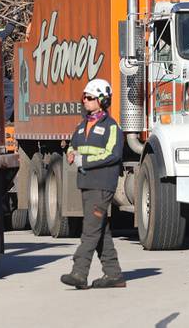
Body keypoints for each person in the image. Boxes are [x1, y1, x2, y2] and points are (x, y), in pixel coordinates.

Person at [61, 78, 126, 290]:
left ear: (102, 100)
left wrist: (85, 161)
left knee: (89, 230)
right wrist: (71, 153)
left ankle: (79, 272)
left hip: (102, 184)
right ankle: (113, 275)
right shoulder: (82, 126)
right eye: (84, 97)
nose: (85, 101)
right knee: (100, 230)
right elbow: (73, 145)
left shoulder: (112, 127)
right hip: (86, 183)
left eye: (90, 98)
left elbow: (113, 154)